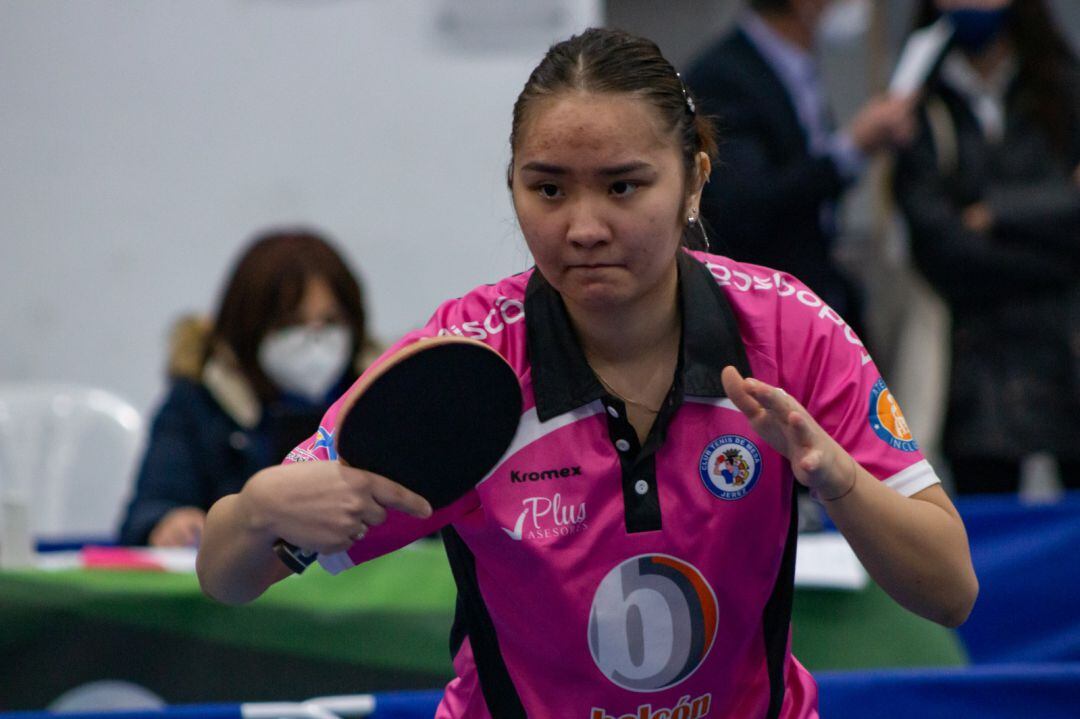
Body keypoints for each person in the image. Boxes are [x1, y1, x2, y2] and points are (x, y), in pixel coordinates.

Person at [197, 29, 977, 718]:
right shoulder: (462, 363)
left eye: (623, 185)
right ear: (513, 186)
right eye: (547, 188)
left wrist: (836, 477)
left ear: (695, 181)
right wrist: (259, 507)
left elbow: (950, 590)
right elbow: (227, 575)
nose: (584, 227)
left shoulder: (787, 330)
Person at [893, 0, 1080, 494]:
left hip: (1066, 344)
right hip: (972, 360)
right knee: (988, 525)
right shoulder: (918, 102)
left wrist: (996, 212)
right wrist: (1056, 251)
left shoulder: (1062, 87)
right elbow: (940, 246)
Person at [117, 228, 380, 546]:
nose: (314, 341)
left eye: (331, 321)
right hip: (235, 592)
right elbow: (148, 513)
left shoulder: (383, 397)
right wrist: (168, 525)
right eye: (291, 324)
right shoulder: (197, 403)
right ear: (248, 327)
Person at [682, 0, 916, 340]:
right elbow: (748, 203)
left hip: (817, 296)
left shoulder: (795, 64)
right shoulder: (724, 76)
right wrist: (852, 147)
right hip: (762, 316)